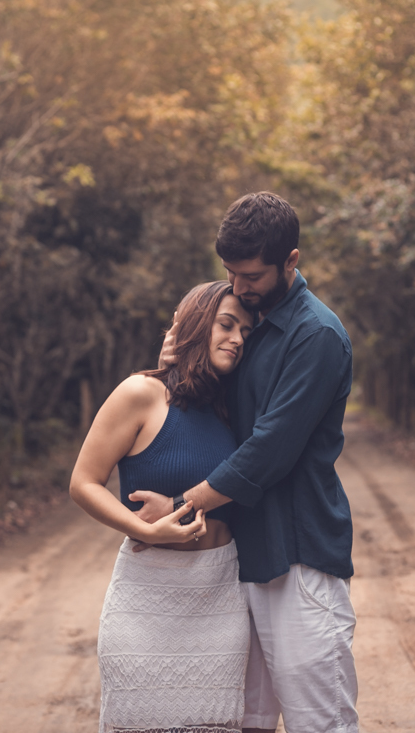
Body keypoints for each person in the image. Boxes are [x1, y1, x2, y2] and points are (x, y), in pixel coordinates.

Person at [137, 192, 359, 733]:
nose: (238, 287)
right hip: (241, 559)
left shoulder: (316, 335)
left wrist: (184, 506)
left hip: (299, 558)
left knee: (319, 722)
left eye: (252, 275)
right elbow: (207, 422)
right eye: (230, 273)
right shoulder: (249, 324)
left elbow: (268, 451)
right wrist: (175, 363)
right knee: (243, 721)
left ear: (291, 261)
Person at [69, 280, 256, 733]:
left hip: (219, 597)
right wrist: (147, 531)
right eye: (226, 325)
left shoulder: (233, 409)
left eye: (246, 333)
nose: (236, 339)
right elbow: (83, 482)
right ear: (194, 325)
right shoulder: (140, 393)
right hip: (144, 596)